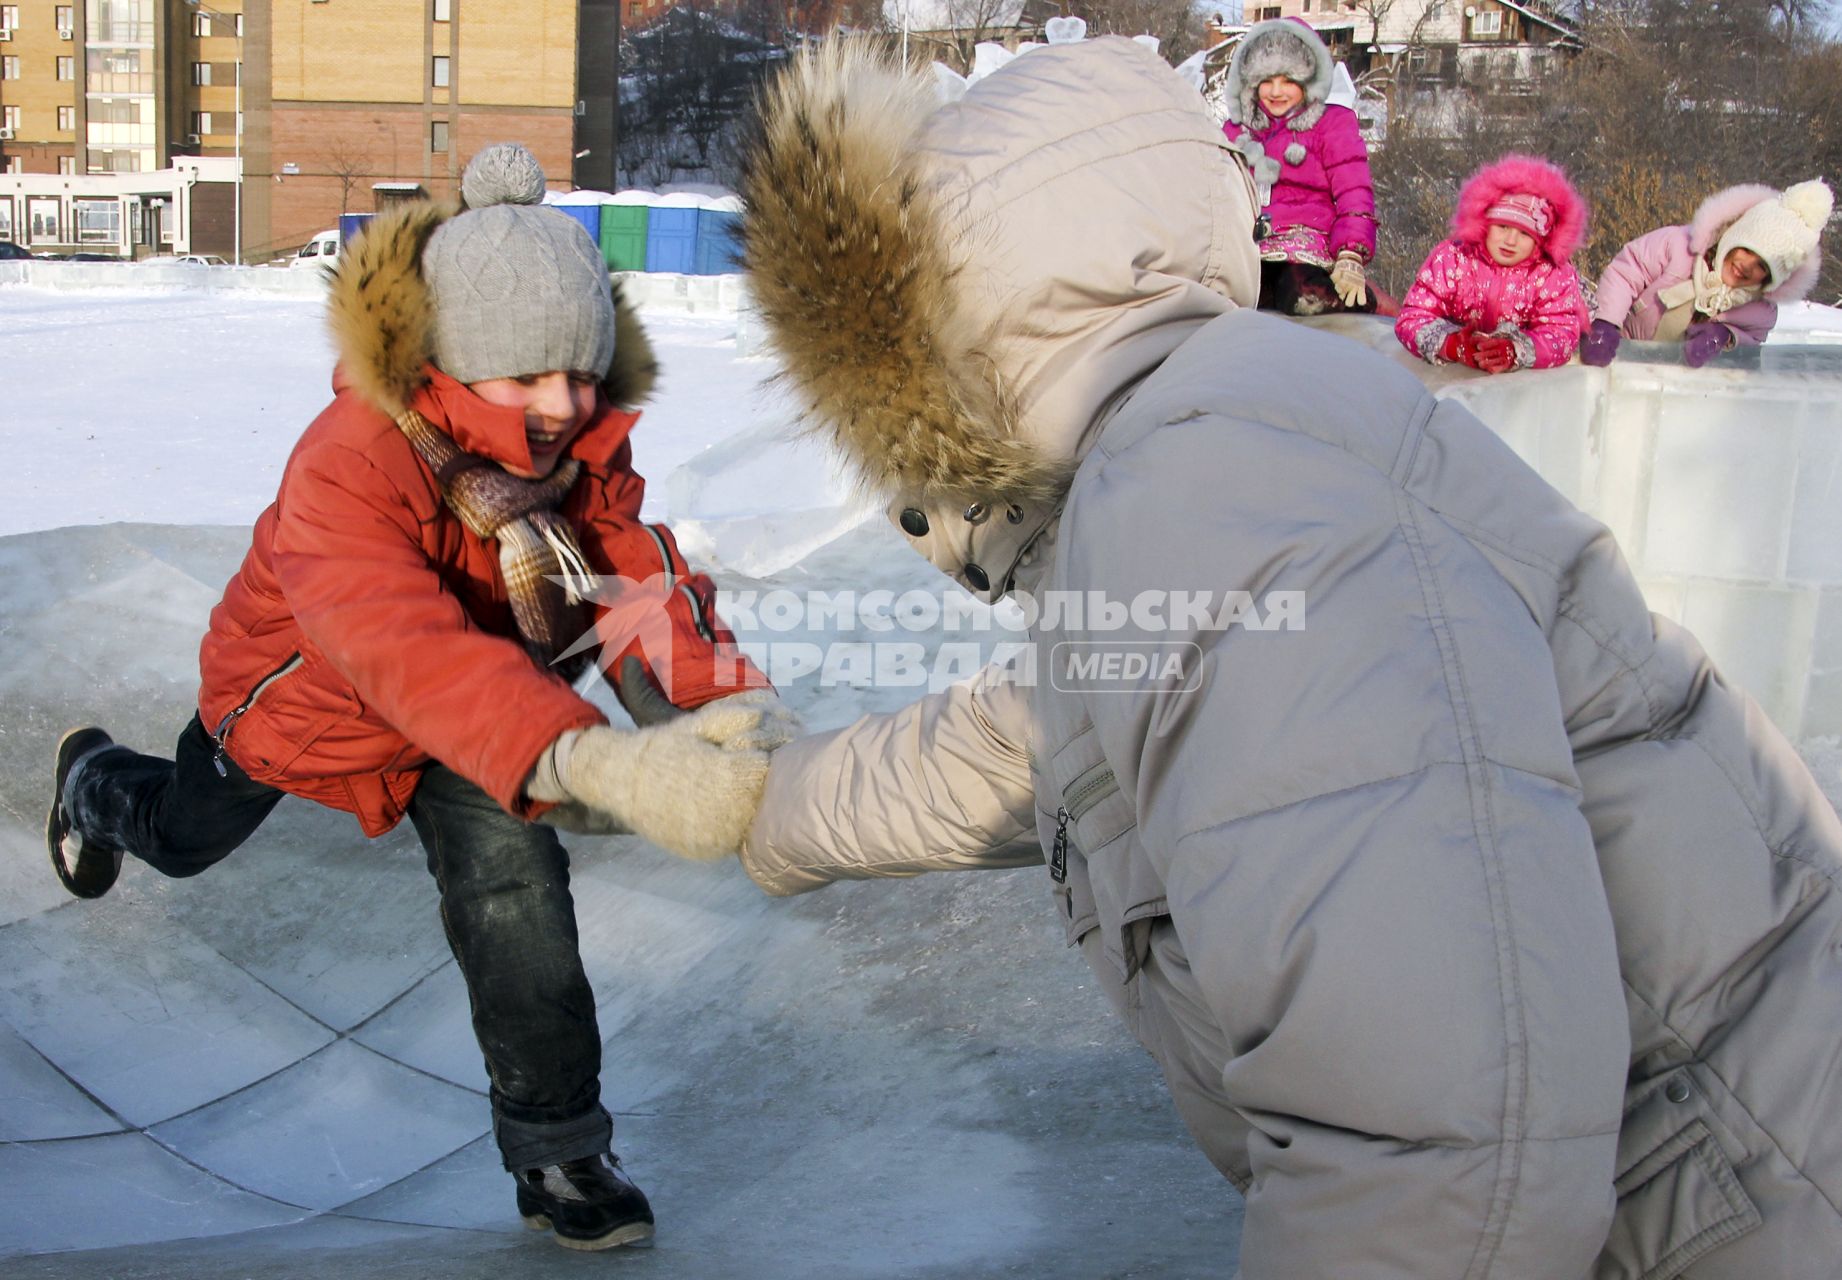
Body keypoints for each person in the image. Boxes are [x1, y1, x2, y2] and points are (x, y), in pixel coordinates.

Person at [733, 37, 1842, 1278]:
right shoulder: (1186, 451)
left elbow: (1444, 1148)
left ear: (927, 348)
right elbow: (1030, 734)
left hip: (1729, 1220)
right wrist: (755, 799)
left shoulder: (1208, 486)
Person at [44, 144, 794, 1253]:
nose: (560, 404)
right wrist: (591, 760)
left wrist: (733, 714)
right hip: (304, 705)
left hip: (480, 711)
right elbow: (398, 648)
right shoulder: (348, 461)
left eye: (580, 371)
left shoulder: (581, 452)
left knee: (515, 884)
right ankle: (94, 781)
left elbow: (640, 586)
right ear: (450, 357)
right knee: (182, 833)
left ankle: (559, 1149)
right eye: (526, 375)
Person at [1220, 17, 1378, 316]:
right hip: (1249, 251)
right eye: (1267, 80)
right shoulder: (1237, 131)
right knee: (1225, 299)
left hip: (1305, 249)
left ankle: (1355, 300)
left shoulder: (1331, 125)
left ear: (1309, 80)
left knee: (1302, 294)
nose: (1276, 91)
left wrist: (1351, 252)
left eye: (1289, 80)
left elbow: (1354, 192)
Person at [1582, 178, 1833, 367]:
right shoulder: (1679, 246)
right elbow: (1626, 273)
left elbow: (1752, 344)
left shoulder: (1760, 311)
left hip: (1678, 385)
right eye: (1746, 250)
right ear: (1733, 235)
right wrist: (1607, 322)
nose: (1747, 265)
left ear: (1771, 280)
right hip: (1624, 351)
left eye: (1762, 267)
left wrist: (1726, 337)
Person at [1394, 154, 1591, 372]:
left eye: (1525, 234)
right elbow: (1413, 316)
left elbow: (1561, 333)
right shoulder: (1454, 258)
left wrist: (1516, 350)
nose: (1510, 241)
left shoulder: (1550, 274)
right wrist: (1451, 344)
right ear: (1484, 221)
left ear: (1541, 240)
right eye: (1503, 227)